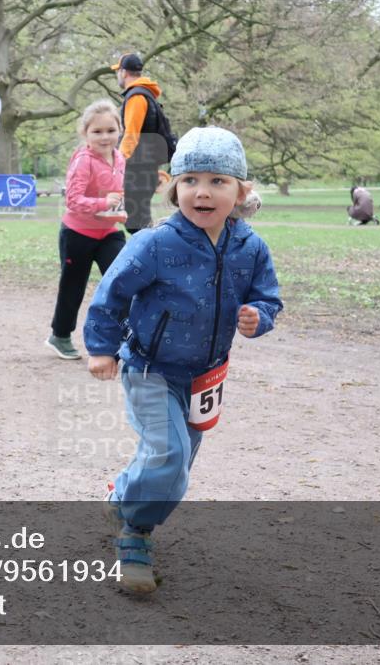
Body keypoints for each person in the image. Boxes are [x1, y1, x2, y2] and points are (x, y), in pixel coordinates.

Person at [84, 126, 283, 593]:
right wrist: (100, 347)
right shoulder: (154, 244)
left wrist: (260, 315)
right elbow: (110, 296)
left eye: (218, 181)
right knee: (170, 457)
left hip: (205, 377)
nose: (203, 192)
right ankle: (135, 536)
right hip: (150, 369)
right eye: (191, 180)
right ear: (174, 189)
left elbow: (268, 297)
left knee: (175, 463)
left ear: (241, 191)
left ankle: (123, 494)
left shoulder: (250, 247)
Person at [45, 99, 126, 360]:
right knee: (73, 286)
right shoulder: (83, 160)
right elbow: (73, 200)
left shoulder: (120, 157)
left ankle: (125, 337)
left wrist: (121, 211)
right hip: (77, 234)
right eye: (97, 132)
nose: (105, 137)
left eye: (110, 130)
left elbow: (117, 194)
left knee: (123, 281)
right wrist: (104, 203)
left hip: (109, 232)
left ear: (119, 130)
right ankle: (60, 336)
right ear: (85, 133)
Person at [113, 53, 168, 235]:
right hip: (144, 167)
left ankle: (152, 258)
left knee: (137, 223)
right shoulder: (146, 94)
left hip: (137, 169)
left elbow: (131, 134)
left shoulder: (136, 97)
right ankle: (151, 256)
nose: (117, 76)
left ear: (123, 72)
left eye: (117, 71)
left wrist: (118, 162)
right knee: (139, 222)